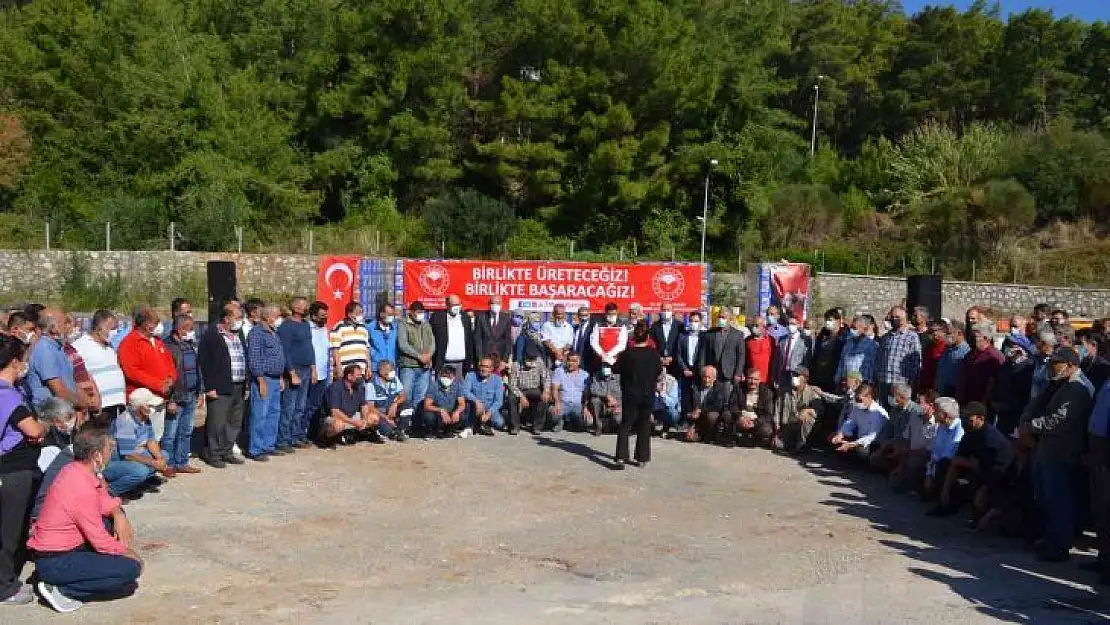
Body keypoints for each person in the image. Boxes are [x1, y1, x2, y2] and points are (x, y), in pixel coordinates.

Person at [28, 425, 143, 613]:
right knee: (130, 570)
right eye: (108, 449)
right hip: (57, 559)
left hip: (60, 551)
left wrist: (118, 513)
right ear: (97, 455)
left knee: (110, 523)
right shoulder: (79, 485)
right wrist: (125, 552)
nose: (110, 453)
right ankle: (62, 589)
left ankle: (65, 577)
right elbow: (97, 537)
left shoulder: (76, 469)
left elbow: (103, 500)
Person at [1020, 347, 1096, 561]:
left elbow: (1059, 421)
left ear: (1071, 366)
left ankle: (1059, 546)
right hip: (1049, 450)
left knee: (1059, 501)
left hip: (1061, 453)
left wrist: (1031, 426)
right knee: (1049, 498)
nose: (1053, 368)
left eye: (1058, 364)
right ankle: (1052, 540)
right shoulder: (1062, 384)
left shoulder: (1077, 389)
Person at [0, 334, 45, 606]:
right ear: (14, 362)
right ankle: (5, 586)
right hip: (13, 470)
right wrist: (44, 428)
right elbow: (33, 429)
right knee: (9, 531)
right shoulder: (7, 394)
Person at [930, 402, 1015, 522]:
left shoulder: (990, 438)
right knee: (944, 464)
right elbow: (957, 462)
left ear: (981, 418)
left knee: (983, 487)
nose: (965, 422)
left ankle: (981, 514)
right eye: (964, 418)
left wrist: (982, 489)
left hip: (998, 475)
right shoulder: (969, 433)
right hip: (979, 469)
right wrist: (945, 489)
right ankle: (946, 505)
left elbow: (994, 469)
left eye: (969, 419)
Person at [197, 303, 247, 468]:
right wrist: (208, 387)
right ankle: (213, 453)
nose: (240, 321)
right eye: (237, 317)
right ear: (226, 318)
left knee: (234, 421)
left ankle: (226, 451)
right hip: (220, 386)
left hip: (239, 385)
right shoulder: (212, 335)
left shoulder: (238, 334)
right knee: (217, 422)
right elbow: (203, 362)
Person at [117, 307, 176, 441]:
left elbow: (170, 364)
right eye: (153, 322)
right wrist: (158, 384)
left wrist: (171, 379)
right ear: (144, 323)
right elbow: (132, 371)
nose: (157, 326)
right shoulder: (129, 343)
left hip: (160, 398)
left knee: (156, 437)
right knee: (141, 439)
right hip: (142, 399)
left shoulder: (158, 342)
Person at [104, 388, 169, 498]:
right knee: (140, 471)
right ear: (141, 408)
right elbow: (128, 455)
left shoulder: (145, 418)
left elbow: (151, 440)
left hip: (135, 453)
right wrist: (153, 463)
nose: (154, 408)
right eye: (150, 405)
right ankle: (111, 491)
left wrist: (159, 458)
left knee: (164, 455)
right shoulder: (125, 422)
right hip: (114, 461)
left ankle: (136, 484)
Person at [612, 321, 660, 468]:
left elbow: (615, 369)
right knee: (644, 424)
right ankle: (642, 458)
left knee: (626, 424)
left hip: (630, 394)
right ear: (648, 337)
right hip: (647, 394)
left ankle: (621, 456)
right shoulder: (653, 354)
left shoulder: (627, 354)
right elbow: (658, 371)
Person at [161, 315, 202, 476]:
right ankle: (168, 464)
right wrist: (170, 399)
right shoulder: (168, 345)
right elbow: (167, 374)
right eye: (189, 328)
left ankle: (182, 462)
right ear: (180, 328)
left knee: (186, 430)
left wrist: (200, 390)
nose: (192, 331)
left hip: (191, 393)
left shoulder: (190, 344)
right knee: (170, 433)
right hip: (176, 396)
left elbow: (197, 368)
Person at [246, 305, 286, 460]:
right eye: (277, 316)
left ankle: (268, 445)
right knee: (260, 414)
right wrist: (261, 380)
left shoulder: (274, 332)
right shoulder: (257, 333)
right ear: (267, 317)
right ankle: (256, 449)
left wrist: (281, 377)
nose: (279, 319)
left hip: (276, 379)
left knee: (273, 413)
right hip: (264, 379)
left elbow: (278, 356)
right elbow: (254, 359)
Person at [72, 310, 127, 423]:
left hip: (118, 404)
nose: (115, 332)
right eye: (112, 328)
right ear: (99, 328)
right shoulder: (79, 346)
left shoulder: (110, 347)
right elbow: (76, 376)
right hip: (100, 406)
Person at [25, 307, 84, 412]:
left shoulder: (57, 347)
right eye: (65, 323)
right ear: (53, 329)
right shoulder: (44, 350)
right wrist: (83, 405)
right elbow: (59, 391)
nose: (69, 326)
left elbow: (69, 382)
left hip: (66, 411)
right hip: (52, 415)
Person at [276, 297, 315, 453]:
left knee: (300, 406)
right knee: (289, 407)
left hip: (306, 369)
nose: (307, 308)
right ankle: (283, 439)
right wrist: (291, 372)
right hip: (295, 370)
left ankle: (294, 436)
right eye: (304, 306)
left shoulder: (305, 325)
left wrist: (313, 367)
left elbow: (309, 347)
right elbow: (284, 351)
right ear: (296, 308)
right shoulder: (286, 326)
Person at [31, 398, 77, 523]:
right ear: (56, 420)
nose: (71, 422)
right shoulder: (47, 447)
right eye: (68, 418)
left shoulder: (58, 436)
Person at [888, 390, 937, 493]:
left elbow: (928, 452)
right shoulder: (914, 415)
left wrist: (905, 453)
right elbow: (907, 439)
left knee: (912, 466)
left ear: (931, 405)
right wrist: (901, 464)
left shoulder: (937, 425)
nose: (917, 405)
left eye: (920, 402)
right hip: (910, 453)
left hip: (925, 458)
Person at [397, 301, 435, 426]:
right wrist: (419, 356)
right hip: (409, 366)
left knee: (420, 396)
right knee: (406, 394)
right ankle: (404, 422)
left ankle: (417, 423)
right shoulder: (403, 323)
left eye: (422, 313)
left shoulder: (426, 324)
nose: (421, 315)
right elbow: (403, 344)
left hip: (425, 367)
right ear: (411, 312)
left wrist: (429, 356)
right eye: (418, 313)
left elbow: (432, 342)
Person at [875, 306, 921, 407]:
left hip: (900, 383)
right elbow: (879, 359)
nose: (893, 319)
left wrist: (911, 384)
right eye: (892, 317)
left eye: (897, 317)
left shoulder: (912, 337)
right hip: (883, 381)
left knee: (897, 413)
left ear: (904, 318)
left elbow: (916, 362)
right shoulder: (886, 337)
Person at [871, 383, 924, 471]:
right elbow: (888, 428)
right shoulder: (894, 410)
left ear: (902, 397)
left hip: (906, 445)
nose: (891, 398)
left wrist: (891, 443)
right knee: (874, 456)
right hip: (893, 442)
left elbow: (911, 435)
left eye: (893, 395)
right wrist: (882, 442)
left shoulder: (916, 411)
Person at [922, 397, 965, 504]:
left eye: (936, 411)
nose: (933, 413)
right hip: (935, 465)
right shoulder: (941, 425)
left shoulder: (959, 429)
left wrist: (931, 473)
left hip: (951, 467)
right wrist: (929, 474)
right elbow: (933, 452)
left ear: (945, 415)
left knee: (943, 465)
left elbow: (947, 456)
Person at [1088, 378, 1110, 583]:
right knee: (1100, 510)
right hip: (1097, 446)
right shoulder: (1107, 382)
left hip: (1106, 450)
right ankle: (1103, 558)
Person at [829, 383, 888, 460]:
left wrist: (852, 444)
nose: (857, 402)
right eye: (856, 399)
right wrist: (840, 434)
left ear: (869, 397)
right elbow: (849, 423)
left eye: (859, 400)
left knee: (861, 451)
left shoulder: (879, 413)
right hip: (859, 439)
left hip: (873, 443)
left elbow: (871, 437)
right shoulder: (857, 408)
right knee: (833, 437)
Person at [992, 335, 1035, 436]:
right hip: (1001, 415)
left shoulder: (1028, 368)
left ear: (1021, 349)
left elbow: (1024, 394)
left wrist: (1007, 405)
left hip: (1017, 416)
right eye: (1007, 344)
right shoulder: (1006, 366)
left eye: (1012, 345)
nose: (1008, 348)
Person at [323, 365, 377, 445]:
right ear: (349, 376)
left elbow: (364, 406)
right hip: (333, 418)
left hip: (351, 416)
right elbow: (335, 412)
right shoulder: (335, 387)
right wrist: (353, 422)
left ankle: (356, 435)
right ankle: (328, 439)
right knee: (339, 425)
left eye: (361, 375)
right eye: (358, 375)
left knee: (373, 418)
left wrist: (364, 420)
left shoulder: (359, 387)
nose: (361, 377)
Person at [774, 366, 824, 453]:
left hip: (802, 426)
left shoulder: (813, 392)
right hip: (788, 426)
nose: (794, 377)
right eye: (793, 374)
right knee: (777, 445)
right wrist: (776, 430)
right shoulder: (784, 390)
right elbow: (777, 410)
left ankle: (801, 445)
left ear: (805, 378)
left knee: (809, 418)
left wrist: (807, 410)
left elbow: (820, 410)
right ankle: (791, 444)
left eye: (797, 375)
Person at [303, 301, 332, 444]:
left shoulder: (325, 330)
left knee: (316, 406)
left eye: (326, 315)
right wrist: (312, 370)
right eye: (322, 316)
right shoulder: (307, 329)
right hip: (310, 374)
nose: (324, 318)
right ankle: (299, 433)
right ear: (313, 316)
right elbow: (308, 352)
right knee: (305, 405)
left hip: (324, 374)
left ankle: (312, 433)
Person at [957, 326, 1004, 407]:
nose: (972, 340)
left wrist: (984, 401)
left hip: (983, 403)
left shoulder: (994, 356)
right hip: (967, 400)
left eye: (975, 337)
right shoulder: (970, 354)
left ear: (986, 339)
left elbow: (992, 381)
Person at [432, 295, 477, 378]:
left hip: (461, 364)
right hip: (443, 363)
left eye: (458, 304)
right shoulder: (437, 317)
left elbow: (470, 340)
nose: (456, 307)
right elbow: (432, 339)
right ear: (447, 305)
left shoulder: (465, 318)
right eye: (454, 305)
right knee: (443, 389)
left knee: (459, 389)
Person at [685, 365, 732, 443]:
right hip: (697, 420)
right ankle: (700, 434)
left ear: (714, 378)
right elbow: (689, 404)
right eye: (704, 377)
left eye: (709, 377)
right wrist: (691, 424)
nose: (706, 380)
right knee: (689, 438)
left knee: (712, 415)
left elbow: (717, 406)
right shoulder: (695, 388)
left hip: (711, 417)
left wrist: (700, 411)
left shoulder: (719, 388)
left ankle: (713, 435)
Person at [506, 355, 551, 435]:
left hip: (534, 389)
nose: (532, 363)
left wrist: (546, 390)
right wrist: (521, 396)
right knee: (511, 397)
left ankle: (537, 427)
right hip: (520, 389)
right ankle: (514, 426)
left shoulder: (539, 362)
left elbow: (546, 378)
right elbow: (512, 385)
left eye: (533, 359)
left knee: (544, 398)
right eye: (529, 360)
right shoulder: (516, 365)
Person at [731, 368, 776, 447]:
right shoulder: (739, 388)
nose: (752, 382)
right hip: (741, 418)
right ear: (746, 378)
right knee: (727, 415)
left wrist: (754, 423)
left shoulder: (767, 392)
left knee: (766, 430)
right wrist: (740, 417)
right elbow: (733, 405)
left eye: (755, 379)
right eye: (750, 378)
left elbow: (768, 414)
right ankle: (733, 436)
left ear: (760, 380)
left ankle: (754, 439)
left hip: (756, 420)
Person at [365, 360, 408, 441]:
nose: (393, 372)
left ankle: (402, 429)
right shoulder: (371, 384)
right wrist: (386, 418)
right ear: (381, 372)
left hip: (391, 409)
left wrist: (395, 404)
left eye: (393, 369)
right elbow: (370, 407)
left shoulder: (395, 379)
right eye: (390, 370)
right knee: (384, 426)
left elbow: (403, 395)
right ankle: (391, 432)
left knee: (407, 406)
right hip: (379, 412)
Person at [705, 307, 746, 392]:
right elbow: (704, 353)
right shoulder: (710, 333)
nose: (720, 319)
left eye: (723, 317)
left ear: (730, 319)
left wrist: (738, 373)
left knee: (726, 400)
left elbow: (741, 355)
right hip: (712, 374)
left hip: (729, 374)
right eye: (719, 317)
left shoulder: (738, 335)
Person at [770, 314, 812, 395]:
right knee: (781, 398)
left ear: (798, 325)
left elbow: (807, 361)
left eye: (793, 324)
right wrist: (774, 376)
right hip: (782, 374)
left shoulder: (805, 340)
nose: (790, 326)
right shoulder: (782, 339)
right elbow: (777, 359)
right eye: (788, 324)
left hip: (796, 374)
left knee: (793, 398)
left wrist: (802, 377)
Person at [550, 353, 590, 434]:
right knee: (553, 413)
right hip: (563, 403)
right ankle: (560, 421)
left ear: (579, 362)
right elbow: (554, 388)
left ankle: (571, 422)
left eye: (573, 361)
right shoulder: (559, 371)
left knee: (589, 421)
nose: (570, 363)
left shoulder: (585, 375)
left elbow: (586, 393)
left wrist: (586, 407)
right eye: (568, 360)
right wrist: (556, 403)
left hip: (578, 405)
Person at [462, 357, 503, 435]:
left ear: (491, 369)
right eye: (482, 366)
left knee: (499, 423)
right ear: (479, 366)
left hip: (489, 408)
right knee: (465, 417)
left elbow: (499, 401)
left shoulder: (497, 380)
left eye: (487, 367)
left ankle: (485, 423)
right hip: (474, 407)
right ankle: (475, 423)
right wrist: (476, 401)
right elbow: (465, 391)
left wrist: (489, 413)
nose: (484, 369)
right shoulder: (471, 375)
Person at [423, 366, 466, 438]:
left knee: (463, 414)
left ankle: (450, 430)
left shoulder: (458, 385)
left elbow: (462, 404)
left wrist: (457, 412)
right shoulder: (434, 386)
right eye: (444, 376)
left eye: (449, 377)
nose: (446, 379)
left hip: (451, 413)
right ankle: (432, 431)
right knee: (428, 416)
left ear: (454, 377)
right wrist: (441, 410)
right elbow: (426, 405)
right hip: (437, 414)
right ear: (440, 376)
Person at [677, 312, 706, 415]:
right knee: (685, 395)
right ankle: (685, 417)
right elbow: (678, 354)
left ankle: (696, 418)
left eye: (696, 321)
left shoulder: (704, 337)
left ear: (701, 322)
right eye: (691, 321)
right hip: (686, 370)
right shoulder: (682, 336)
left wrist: (697, 370)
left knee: (697, 394)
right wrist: (684, 368)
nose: (693, 323)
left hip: (699, 370)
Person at [330, 302, 370, 378]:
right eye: (358, 312)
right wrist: (339, 368)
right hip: (346, 370)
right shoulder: (339, 327)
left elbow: (366, 349)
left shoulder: (363, 328)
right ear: (349, 314)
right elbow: (335, 349)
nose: (360, 315)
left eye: (361, 312)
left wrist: (368, 367)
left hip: (361, 371)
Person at [835, 316, 878, 386]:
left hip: (861, 385)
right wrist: (837, 380)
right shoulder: (848, 344)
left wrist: (867, 384)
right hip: (845, 384)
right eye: (851, 327)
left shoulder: (872, 346)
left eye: (854, 328)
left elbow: (872, 368)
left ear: (864, 329)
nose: (852, 330)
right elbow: (841, 364)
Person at [810, 309, 846, 392]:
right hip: (818, 378)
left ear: (838, 321)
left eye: (830, 320)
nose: (827, 322)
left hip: (833, 380)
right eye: (826, 320)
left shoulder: (843, 338)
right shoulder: (822, 336)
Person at [650, 303, 684, 378]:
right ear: (660, 311)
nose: (666, 312)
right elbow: (652, 344)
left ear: (672, 311)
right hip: (659, 364)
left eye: (668, 310)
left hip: (675, 364)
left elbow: (682, 345)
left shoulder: (680, 326)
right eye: (664, 310)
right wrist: (659, 357)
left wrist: (673, 357)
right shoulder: (654, 326)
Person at [477, 296, 512, 362]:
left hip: (499, 358)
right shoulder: (481, 317)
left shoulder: (506, 318)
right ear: (489, 304)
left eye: (498, 303)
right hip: (485, 358)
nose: (495, 305)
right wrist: (480, 358)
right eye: (493, 303)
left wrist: (504, 360)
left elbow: (508, 341)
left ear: (501, 305)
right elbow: (478, 340)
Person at [918, 320, 948, 394]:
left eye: (935, 330)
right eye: (930, 331)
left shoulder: (947, 347)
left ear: (944, 331)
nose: (933, 334)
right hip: (926, 386)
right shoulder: (929, 346)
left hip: (939, 387)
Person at [540, 305, 574, 370]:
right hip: (550, 357)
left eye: (562, 314)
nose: (560, 316)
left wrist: (561, 351)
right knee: (549, 377)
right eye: (557, 314)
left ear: (564, 314)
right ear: (553, 314)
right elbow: (546, 340)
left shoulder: (569, 327)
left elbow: (570, 343)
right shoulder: (546, 325)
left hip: (564, 356)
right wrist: (556, 352)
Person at [367, 303, 397, 375]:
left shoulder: (395, 328)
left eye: (392, 315)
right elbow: (367, 346)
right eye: (389, 314)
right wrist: (377, 357)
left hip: (391, 367)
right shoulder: (370, 327)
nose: (391, 317)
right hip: (376, 368)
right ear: (381, 314)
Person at [745, 316, 774, 387]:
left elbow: (774, 360)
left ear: (764, 327)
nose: (754, 327)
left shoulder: (771, 340)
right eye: (753, 325)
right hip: (752, 379)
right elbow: (743, 359)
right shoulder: (747, 341)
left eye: (756, 325)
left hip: (765, 379)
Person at [652, 368, 680, 435]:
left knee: (674, 414)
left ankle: (667, 425)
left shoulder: (672, 381)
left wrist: (661, 393)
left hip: (665, 409)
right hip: (651, 410)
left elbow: (673, 403)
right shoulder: (647, 379)